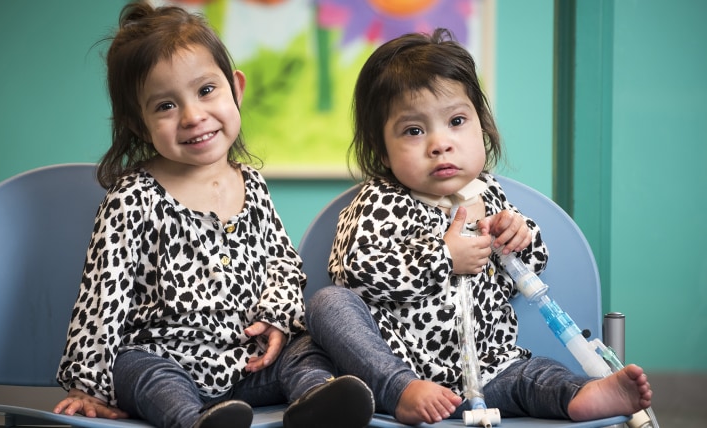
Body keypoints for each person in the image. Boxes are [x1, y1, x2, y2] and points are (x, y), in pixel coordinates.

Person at [306, 28, 653, 425]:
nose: (440, 144)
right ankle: (399, 390)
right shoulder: (379, 201)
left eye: (456, 121)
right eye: (414, 130)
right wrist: (443, 257)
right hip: (401, 363)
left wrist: (519, 235)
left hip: (491, 368)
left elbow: (523, 275)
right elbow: (355, 274)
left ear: (482, 126)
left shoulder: (486, 193)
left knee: (535, 375)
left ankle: (580, 394)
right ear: (382, 148)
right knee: (327, 304)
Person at [52, 3, 374, 428]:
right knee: (138, 369)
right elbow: (102, 298)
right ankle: (195, 420)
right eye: (165, 105)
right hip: (166, 359)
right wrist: (86, 383)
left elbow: (281, 263)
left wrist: (276, 318)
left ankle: (316, 399)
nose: (193, 116)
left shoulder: (252, 185)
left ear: (235, 88)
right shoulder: (132, 198)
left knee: (305, 348)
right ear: (137, 121)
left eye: (206, 91)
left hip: (246, 364)